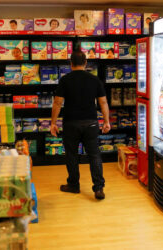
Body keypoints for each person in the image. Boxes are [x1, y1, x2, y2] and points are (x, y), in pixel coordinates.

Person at [51, 50, 110, 200]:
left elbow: (57, 103)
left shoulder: (65, 80)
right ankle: (98, 188)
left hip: (71, 123)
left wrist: (53, 123)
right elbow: (103, 102)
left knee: (72, 155)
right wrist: (106, 121)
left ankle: (73, 185)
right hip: (91, 123)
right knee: (94, 155)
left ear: (70, 64)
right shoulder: (94, 79)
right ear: (85, 63)